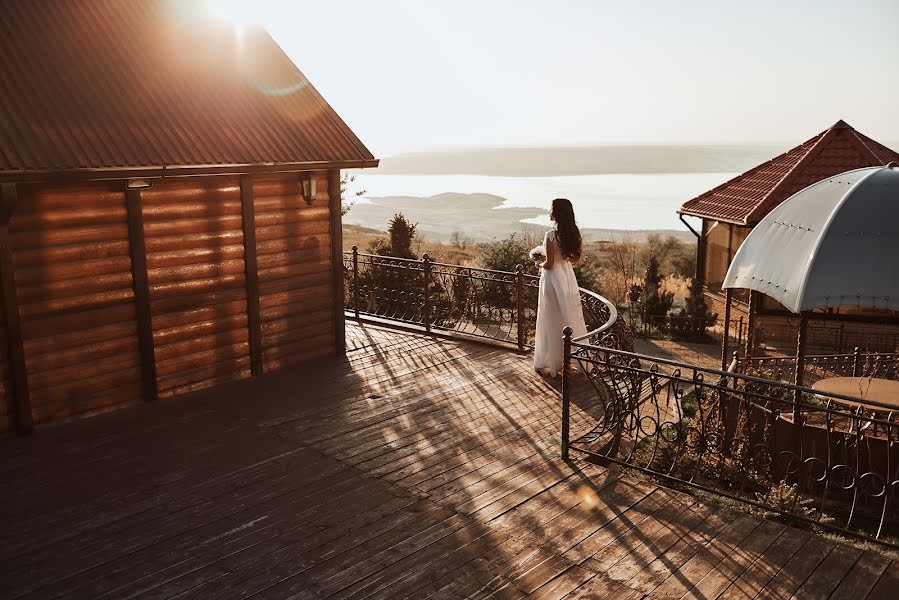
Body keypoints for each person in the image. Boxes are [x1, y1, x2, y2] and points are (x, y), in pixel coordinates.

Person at [533, 198, 588, 377]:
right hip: (566, 278)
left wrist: (538, 264)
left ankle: (552, 362)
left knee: (551, 318)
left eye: (551, 209)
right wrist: (563, 261)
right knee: (569, 316)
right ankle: (574, 360)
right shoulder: (573, 233)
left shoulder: (550, 235)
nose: (549, 211)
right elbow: (576, 259)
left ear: (556, 213)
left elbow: (549, 264)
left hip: (551, 280)